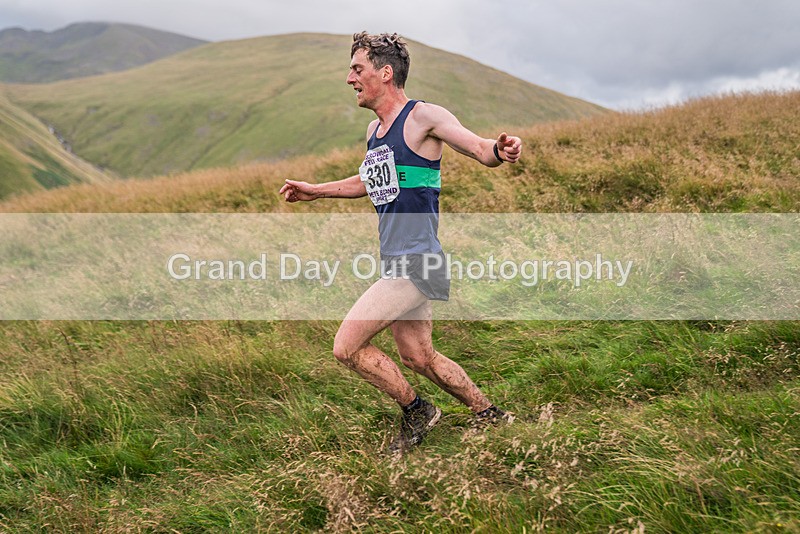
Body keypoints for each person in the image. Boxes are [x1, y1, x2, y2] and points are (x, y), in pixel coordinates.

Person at [280, 31, 522, 453]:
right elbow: (366, 182)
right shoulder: (375, 131)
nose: (350, 78)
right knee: (419, 357)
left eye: (357, 69)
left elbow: (479, 148)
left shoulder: (423, 117)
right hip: (396, 261)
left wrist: (501, 150)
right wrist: (315, 190)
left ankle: (417, 411)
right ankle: (490, 414)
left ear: (385, 72)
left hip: (418, 261)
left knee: (346, 347)